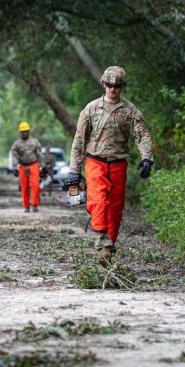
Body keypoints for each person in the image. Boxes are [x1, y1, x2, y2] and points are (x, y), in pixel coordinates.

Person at [67, 66, 153, 265]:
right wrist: (74, 170)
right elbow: (79, 139)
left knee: (115, 210)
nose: (113, 89)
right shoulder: (90, 109)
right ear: (103, 84)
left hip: (118, 164)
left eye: (117, 86)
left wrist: (147, 157)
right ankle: (103, 242)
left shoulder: (130, 110)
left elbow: (142, 135)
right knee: (98, 203)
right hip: (95, 162)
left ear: (122, 87)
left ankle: (108, 247)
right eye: (109, 85)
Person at [10, 122, 42, 213]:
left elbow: (39, 154)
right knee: (24, 187)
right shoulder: (16, 144)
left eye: (26, 131)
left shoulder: (35, 142)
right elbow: (14, 155)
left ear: (28, 131)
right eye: (22, 131)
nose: (24, 133)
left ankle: (35, 205)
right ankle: (26, 206)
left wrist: (42, 166)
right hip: (22, 167)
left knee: (35, 186)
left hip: (33, 165)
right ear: (20, 132)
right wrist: (14, 167)